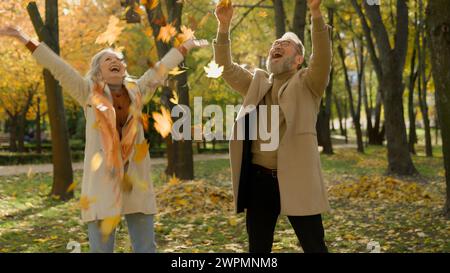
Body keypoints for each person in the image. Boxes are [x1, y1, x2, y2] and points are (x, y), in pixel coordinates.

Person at [0, 25, 207, 253]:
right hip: (101, 184)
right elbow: (56, 66)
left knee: (146, 248)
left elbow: (162, 69)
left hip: (135, 182)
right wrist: (23, 37)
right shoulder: (87, 91)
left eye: (117, 58)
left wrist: (185, 46)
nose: (114, 61)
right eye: (107, 59)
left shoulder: (138, 90)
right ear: (98, 70)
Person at [213, 0, 332, 253]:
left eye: (285, 44)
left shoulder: (309, 83)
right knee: (258, 249)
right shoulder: (257, 82)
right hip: (259, 181)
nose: (276, 45)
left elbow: (322, 57)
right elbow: (226, 69)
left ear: (298, 59)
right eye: (275, 44)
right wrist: (223, 27)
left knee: (314, 246)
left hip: (298, 178)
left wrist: (315, 13)